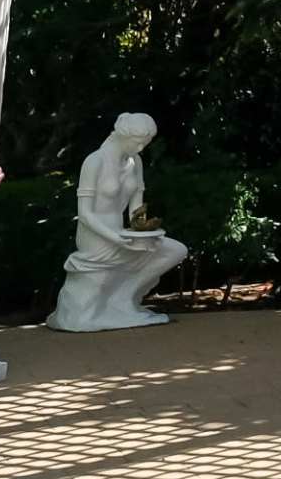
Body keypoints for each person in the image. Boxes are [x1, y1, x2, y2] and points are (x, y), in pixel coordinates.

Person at [51, 112, 191, 331]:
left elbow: (136, 210)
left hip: (122, 234)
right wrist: (115, 237)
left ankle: (124, 300)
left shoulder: (136, 162)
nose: (141, 148)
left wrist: (144, 232)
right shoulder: (94, 161)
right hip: (96, 237)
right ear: (122, 136)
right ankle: (102, 308)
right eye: (138, 142)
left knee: (176, 250)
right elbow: (85, 214)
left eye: (146, 143)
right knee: (115, 264)